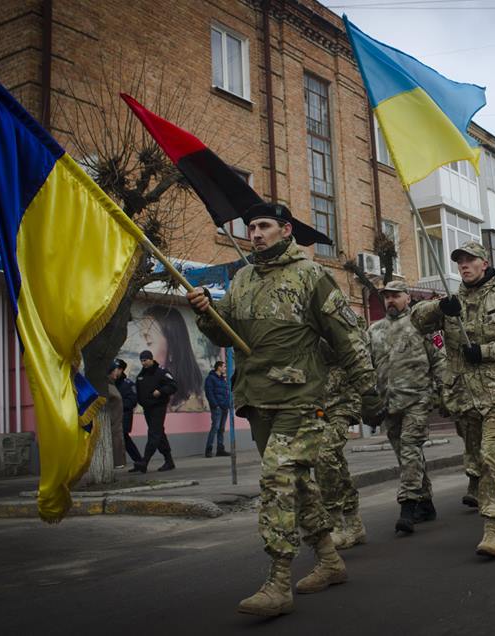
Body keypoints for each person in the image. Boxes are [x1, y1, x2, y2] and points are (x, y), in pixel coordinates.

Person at [187, 202, 375, 617]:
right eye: (250, 226)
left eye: (264, 226)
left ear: (285, 230)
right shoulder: (242, 279)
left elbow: (346, 336)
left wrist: (368, 390)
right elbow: (230, 333)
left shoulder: (310, 274)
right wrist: (206, 313)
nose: (255, 233)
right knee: (300, 484)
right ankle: (329, 560)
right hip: (257, 399)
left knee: (276, 480)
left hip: (300, 399)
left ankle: (278, 581)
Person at [411, 241, 495, 558]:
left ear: (484, 262)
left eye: (470, 260)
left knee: (492, 456)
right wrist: (439, 308)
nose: (464, 265)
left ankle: (493, 528)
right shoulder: (452, 303)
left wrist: (486, 352)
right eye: (460, 261)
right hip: (466, 397)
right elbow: (415, 319)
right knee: (480, 463)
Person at [368, 280, 446, 533]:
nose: (390, 300)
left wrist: (445, 393)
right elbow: (367, 367)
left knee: (411, 448)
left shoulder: (422, 326)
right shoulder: (374, 330)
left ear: (407, 298)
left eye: (396, 295)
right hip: (389, 404)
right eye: (387, 297)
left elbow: (439, 360)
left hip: (417, 399)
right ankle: (426, 503)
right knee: (406, 455)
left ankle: (407, 507)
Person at [317, 338, 367, 549]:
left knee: (324, 454)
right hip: (316, 402)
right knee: (335, 460)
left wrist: (369, 393)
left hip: (342, 401)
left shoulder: (335, 315)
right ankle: (354, 521)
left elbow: (356, 350)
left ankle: (335, 523)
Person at [139, 305, 205, 411]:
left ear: (173, 349)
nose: (141, 351)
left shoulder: (190, 404)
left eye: (149, 342)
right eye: (141, 340)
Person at [131, 350, 177, 473]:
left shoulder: (161, 372)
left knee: (154, 433)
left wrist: (161, 391)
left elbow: (173, 385)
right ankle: (169, 461)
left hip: (158, 407)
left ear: (151, 359)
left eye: (145, 360)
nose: (143, 363)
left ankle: (144, 461)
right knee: (159, 434)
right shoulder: (142, 374)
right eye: (141, 360)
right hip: (148, 408)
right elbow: (139, 390)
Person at [109, 359, 141, 465]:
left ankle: (138, 460)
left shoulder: (128, 384)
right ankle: (138, 460)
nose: (114, 371)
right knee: (123, 440)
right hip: (113, 417)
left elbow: (133, 401)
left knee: (124, 440)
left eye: (117, 369)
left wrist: (119, 405)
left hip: (124, 416)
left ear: (121, 370)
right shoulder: (111, 383)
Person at [204, 361, 231, 457]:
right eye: (224, 366)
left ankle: (220, 450)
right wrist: (215, 405)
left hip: (224, 407)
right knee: (215, 428)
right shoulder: (210, 379)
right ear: (218, 367)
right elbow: (209, 393)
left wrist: (227, 404)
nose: (225, 368)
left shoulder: (223, 380)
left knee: (221, 429)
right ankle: (208, 450)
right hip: (217, 408)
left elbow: (226, 393)